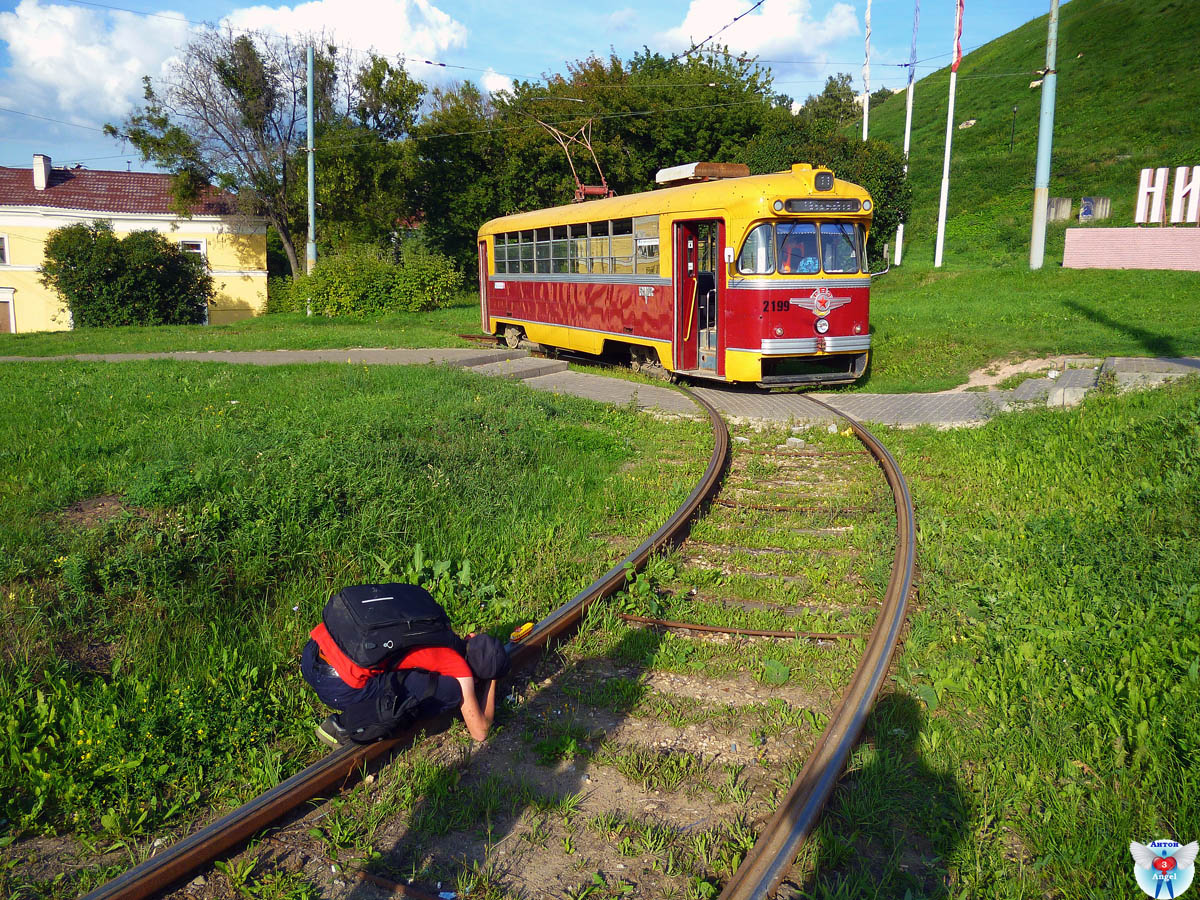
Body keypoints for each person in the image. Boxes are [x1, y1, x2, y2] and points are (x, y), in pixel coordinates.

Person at [302, 618, 509, 747]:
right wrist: (492, 681)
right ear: (475, 676)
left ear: (470, 636)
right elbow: (480, 732)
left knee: (406, 671)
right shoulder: (459, 668)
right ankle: (344, 726)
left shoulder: (437, 626)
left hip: (312, 652)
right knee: (449, 691)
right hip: (335, 686)